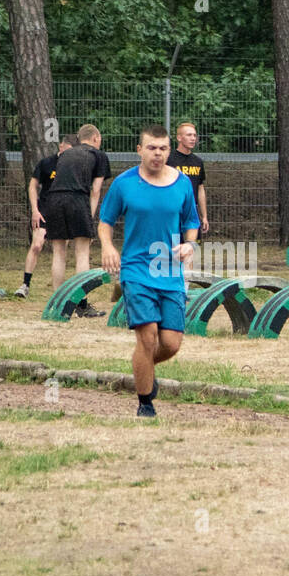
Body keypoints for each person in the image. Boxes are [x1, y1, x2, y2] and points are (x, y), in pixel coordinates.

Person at [98, 123, 200, 418]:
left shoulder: (182, 183)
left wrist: (189, 245)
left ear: (170, 150)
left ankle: (144, 369)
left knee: (171, 343)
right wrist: (107, 246)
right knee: (147, 337)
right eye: (152, 148)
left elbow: (191, 222)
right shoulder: (124, 183)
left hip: (169, 271)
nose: (158, 154)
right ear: (139, 150)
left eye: (163, 148)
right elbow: (106, 221)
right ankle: (145, 403)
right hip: (136, 270)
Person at [47, 123, 111, 317]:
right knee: (82, 251)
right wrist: (89, 217)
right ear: (95, 138)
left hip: (54, 199)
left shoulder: (66, 154)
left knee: (59, 251)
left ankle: (57, 303)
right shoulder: (98, 155)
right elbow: (96, 190)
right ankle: (81, 305)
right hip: (77, 199)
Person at [16, 133, 72, 298]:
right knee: (37, 245)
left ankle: (59, 289)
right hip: (45, 209)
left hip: (63, 210)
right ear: (60, 146)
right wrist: (35, 210)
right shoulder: (47, 163)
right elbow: (33, 186)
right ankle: (25, 284)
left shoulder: (72, 166)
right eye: (66, 150)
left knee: (61, 249)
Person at [167, 122, 208, 234]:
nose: (193, 138)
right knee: (175, 249)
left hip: (191, 215)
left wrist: (204, 216)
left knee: (193, 248)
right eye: (189, 135)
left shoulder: (198, 161)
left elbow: (200, 188)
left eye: (194, 135)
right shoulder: (168, 160)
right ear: (179, 137)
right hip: (172, 214)